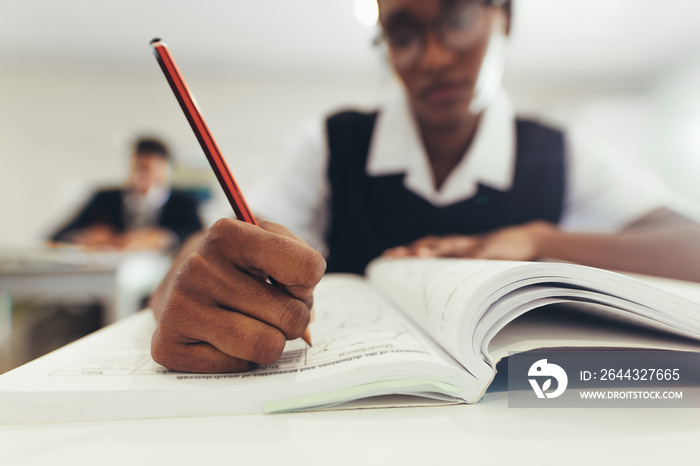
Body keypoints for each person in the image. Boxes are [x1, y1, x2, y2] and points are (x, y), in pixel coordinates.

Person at [149, 0, 700, 373]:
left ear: (503, 16)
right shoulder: (331, 143)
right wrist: (202, 279)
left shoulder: (561, 151)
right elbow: (209, 257)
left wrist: (539, 241)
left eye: (456, 16)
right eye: (404, 34)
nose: (433, 58)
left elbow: (691, 245)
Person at [50, 137, 203, 251]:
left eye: (149, 168)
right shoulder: (104, 198)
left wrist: (165, 237)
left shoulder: (185, 202)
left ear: (165, 167)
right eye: (138, 166)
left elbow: (200, 239)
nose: (143, 174)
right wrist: (83, 236)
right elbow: (58, 235)